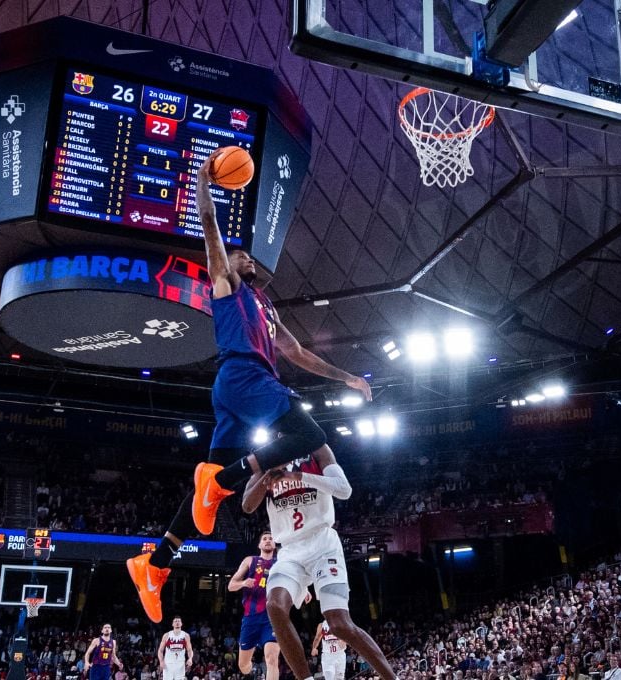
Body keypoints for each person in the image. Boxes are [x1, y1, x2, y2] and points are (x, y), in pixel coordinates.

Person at [127, 149, 371, 622]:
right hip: (246, 376)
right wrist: (203, 181)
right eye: (241, 254)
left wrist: (346, 377)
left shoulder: (266, 307)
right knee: (309, 435)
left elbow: (297, 354)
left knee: (206, 499)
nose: (246, 257)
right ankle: (219, 482)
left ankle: (154, 565)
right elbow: (209, 227)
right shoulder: (227, 286)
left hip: (239, 390)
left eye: (246, 255)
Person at [242, 445, 395, 680]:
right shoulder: (265, 461)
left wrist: (297, 476)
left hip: (322, 543)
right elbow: (247, 505)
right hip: (289, 550)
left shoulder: (317, 449)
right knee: (274, 606)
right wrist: (268, 475)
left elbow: (344, 490)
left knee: (339, 624)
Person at [227, 533, 280, 680]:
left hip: (272, 617)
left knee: (272, 658)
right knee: (243, 666)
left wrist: (304, 590)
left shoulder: (281, 562)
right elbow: (231, 585)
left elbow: (294, 578)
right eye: (264, 539)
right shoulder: (250, 560)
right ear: (259, 545)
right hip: (251, 618)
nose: (268, 541)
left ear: (275, 544)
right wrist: (243, 583)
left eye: (271, 539)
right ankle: (254, 670)